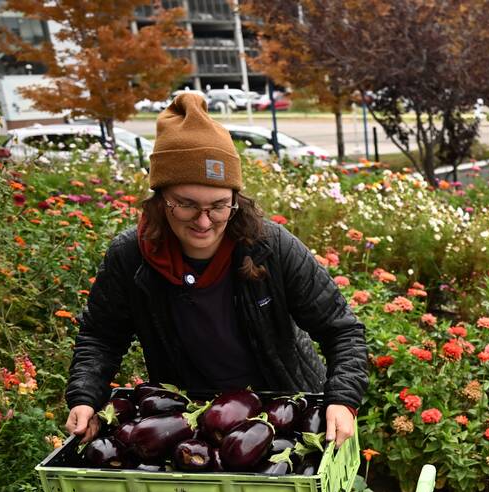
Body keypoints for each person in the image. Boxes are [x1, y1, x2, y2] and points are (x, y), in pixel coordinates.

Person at [64, 93, 367, 447]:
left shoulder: (272, 247)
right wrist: (84, 397)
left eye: (220, 206)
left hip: (283, 415)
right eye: (187, 205)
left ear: (235, 200)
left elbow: (342, 330)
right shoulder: (131, 256)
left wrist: (342, 400)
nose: (204, 221)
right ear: (162, 201)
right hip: (190, 424)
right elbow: (101, 336)